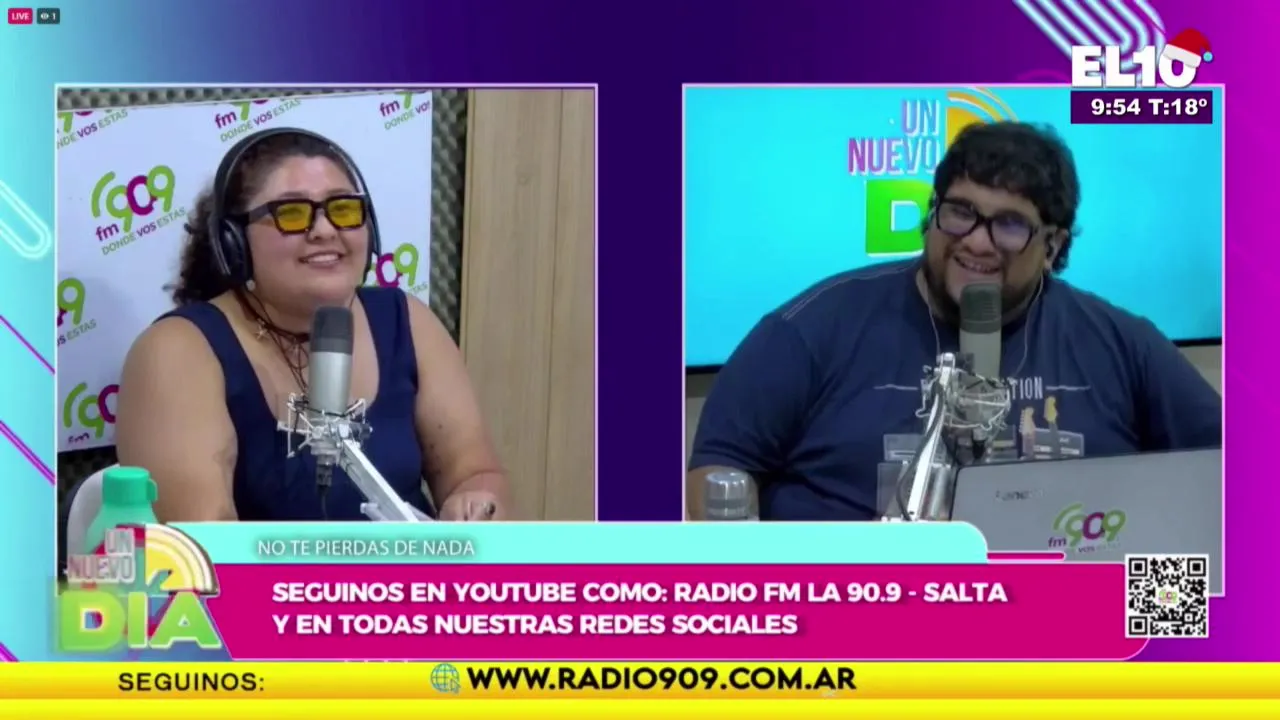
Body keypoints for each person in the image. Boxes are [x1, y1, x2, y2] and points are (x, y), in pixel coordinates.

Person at [687, 122, 1222, 521]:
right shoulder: (811, 327)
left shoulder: (1122, 344)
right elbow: (719, 474)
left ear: (1052, 245)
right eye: (961, 212)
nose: (977, 242)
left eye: (1009, 224)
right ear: (932, 213)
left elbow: (1234, 472)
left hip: (1065, 622)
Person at [114, 128, 510, 522]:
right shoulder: (179, 350)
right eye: (292, 214)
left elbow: (474, 472)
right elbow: (200, 545)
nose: (324, 230)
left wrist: (475, 503)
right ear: (235, 243)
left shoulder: (405, 319)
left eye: (344, 209)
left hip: (414, 566)